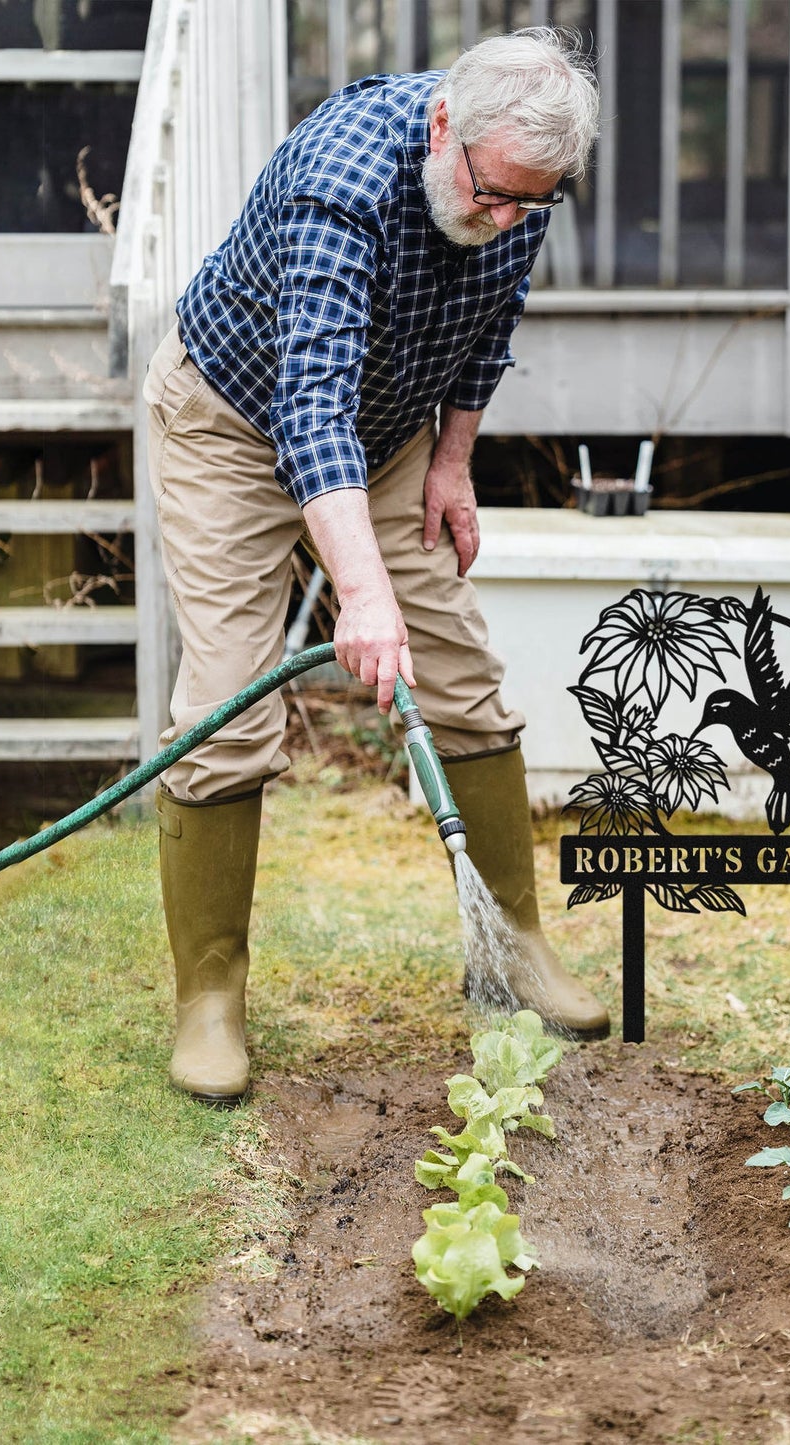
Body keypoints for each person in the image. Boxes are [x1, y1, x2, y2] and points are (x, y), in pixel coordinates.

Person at [141, 27, 609, 1106]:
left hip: (390, 432)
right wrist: (359, 593)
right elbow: (308, 407)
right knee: (226, 702)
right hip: (231, 426)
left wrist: (452, 461)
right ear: (444, 125)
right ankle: (209, 998)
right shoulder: (342, 179)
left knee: (460, 674)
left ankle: (515, 948)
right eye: (493, 195)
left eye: (530, 204)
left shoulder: (517, 175)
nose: (507, 218)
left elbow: (491, 319)